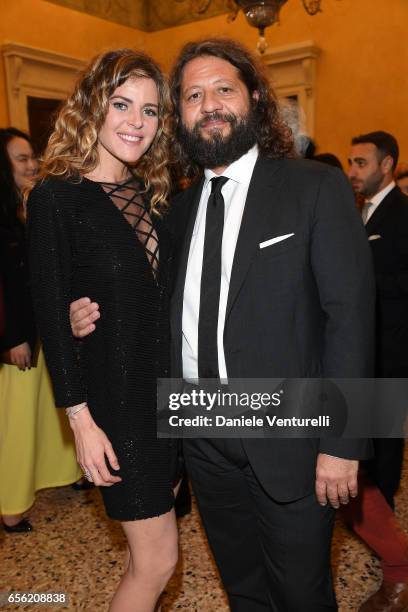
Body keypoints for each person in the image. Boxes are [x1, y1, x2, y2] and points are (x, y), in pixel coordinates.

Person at [70, 39, 374, 611]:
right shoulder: (174, 212)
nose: (208, 104)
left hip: (293, 430)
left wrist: (343, 443)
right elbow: (146, 314)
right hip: (201, 435)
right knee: (243, 590)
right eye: (191, 95)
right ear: (178, 117)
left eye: (223, 89)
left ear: (254, 100)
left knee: (301, 594)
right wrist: (77, 314)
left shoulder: (313, 187)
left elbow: (351, 319)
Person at [27, 50, 179, 611]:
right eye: (121, 104)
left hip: (172, 398)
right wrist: (81, 422)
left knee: (158, 556)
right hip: (118, 405)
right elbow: (49, 314)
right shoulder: (55, 198)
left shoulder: (156, 197)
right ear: (92, 105)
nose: (136, 122)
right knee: (158, 559)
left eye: (150, 110)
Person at [0, 127, 81, 533]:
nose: (32, 164)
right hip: (17, 341)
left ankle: (59, 474)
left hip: (42, 331)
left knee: (46, 416)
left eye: (33, 156)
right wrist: (11, 338)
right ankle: (10, 505)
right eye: (21, 158)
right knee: (16, 423)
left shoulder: (31, 206)